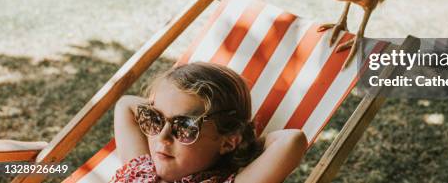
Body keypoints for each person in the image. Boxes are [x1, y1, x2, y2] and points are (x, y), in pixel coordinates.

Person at [111, 62, 307, 183]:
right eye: (155, 119)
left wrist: (246, 145)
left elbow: (292, 140)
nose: (162, 137)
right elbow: (126, 104)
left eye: (185, 127)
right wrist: (169, 111)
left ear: (228, 142)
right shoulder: (141, 167)